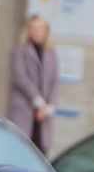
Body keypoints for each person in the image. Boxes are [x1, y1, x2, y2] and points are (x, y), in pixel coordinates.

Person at [6, 14, 60, 153]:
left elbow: (55, 81)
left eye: (41, 28)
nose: (37, 31)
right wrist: (38, 101)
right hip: (24, 108)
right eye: (34, 28)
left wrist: (49, 107)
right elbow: (20, 76)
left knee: (40, 152)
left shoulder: (51, 53)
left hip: (43, 115)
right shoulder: (20, 50)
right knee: (21, 149)